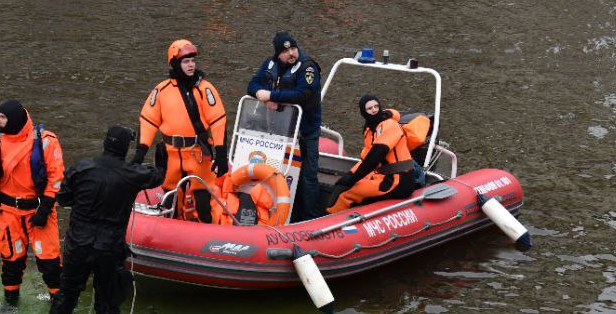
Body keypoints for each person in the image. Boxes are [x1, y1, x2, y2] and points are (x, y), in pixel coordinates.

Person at [39, 125, 165, 314]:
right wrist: (162, 153)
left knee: (66, 296)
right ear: (124, 148)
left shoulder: (82, 167)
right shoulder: (131, 174)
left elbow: (63, 198)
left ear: (105, 144)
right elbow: (159, 177)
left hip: (78, 244)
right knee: (108, 304)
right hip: (109, 249)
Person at [0, 100, 65, 306]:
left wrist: (46, 207)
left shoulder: (46, 142)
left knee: (50, 263)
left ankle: (59, 306)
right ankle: (11, 302)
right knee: (11, 262)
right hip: (9, 212)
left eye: (1, 117)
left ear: (13, 118)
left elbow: (56, 177)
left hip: (39, 211)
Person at [134, 40, 229, 221]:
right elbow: (148, 121)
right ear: (175, 63)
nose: (191, 64)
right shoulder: (162, 91)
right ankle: (174, 234)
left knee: (203, 206)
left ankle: (207, 237)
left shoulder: (205, 89)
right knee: (170, 205)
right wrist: (139, 154)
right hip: (171, 155)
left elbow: (218, 122)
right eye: (186, 61)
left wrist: (221, 154)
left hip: (197, 155)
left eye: (193, 60)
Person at [247, 31, 323, 222]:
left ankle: (310, 217)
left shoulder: (307, 68)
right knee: (278, 173)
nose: (291, 54)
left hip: (305, 132)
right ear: (278, 54)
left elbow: (303, 94)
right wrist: (261, 95)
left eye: (293, 48)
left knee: (308, 176)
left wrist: (273, 97)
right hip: (278, 131)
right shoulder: (270, 64)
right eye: (286, 51)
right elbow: (252, 85)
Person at [326, 95, 420, 213]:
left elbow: (375, 157)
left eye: (376, 106)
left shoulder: (390, 125)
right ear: (363, 112)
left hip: (399, 180)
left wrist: (351, 179)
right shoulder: (370, 130)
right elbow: (365, 159)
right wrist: (348, 177)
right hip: (385, 176)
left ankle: (331, 224)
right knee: (342, 187)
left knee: (344, 193)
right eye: (370, 108)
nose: (374, 110)